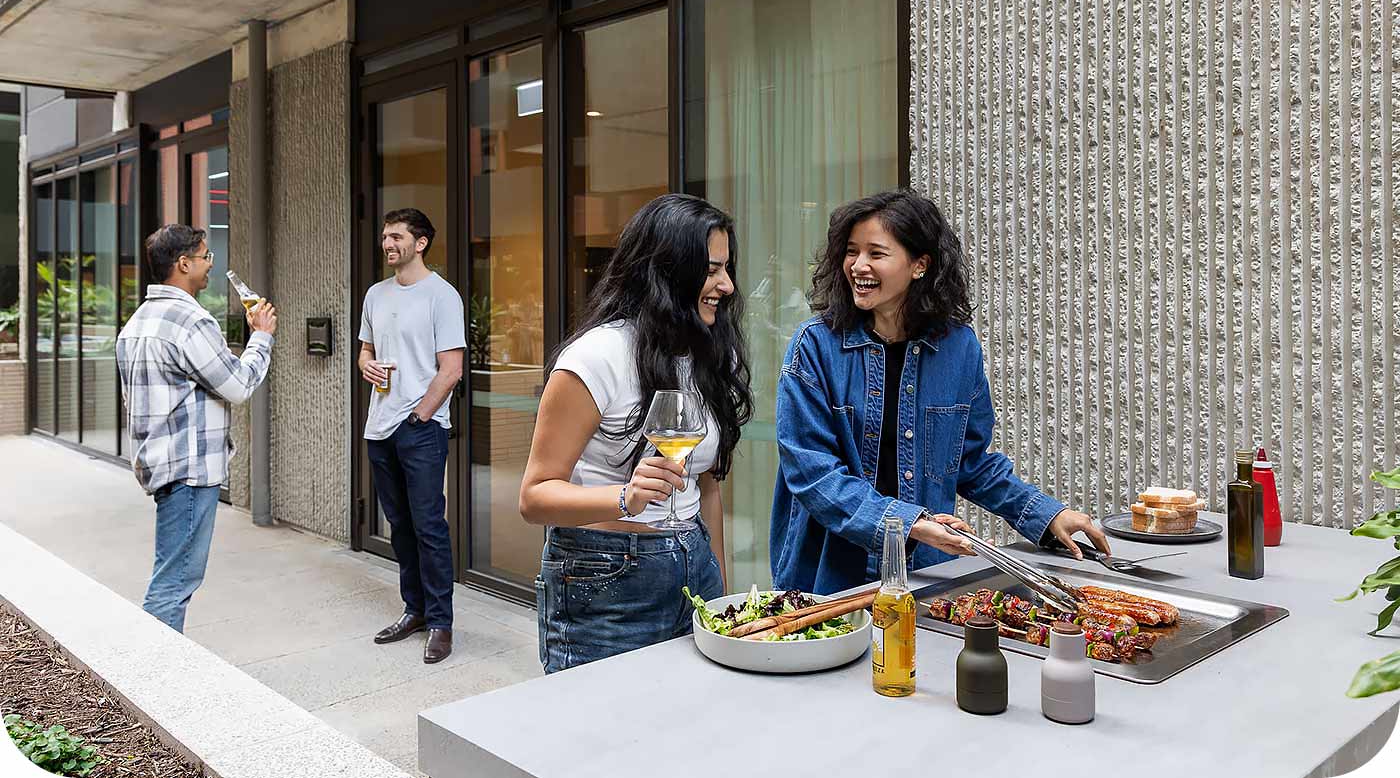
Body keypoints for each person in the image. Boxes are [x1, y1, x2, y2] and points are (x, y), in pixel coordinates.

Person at [771, 190, 1111, 594]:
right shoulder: (814, 346)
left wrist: (1045, 514)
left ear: (919, 265)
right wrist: (909, 522)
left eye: (876, 253)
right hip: (828, 577)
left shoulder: (959, 347)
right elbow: (813, 475)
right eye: (851, 251)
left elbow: (970, 462)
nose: (858, 265)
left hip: (924, 574)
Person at [519, 194, 753, 673]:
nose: (726, 285)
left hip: (694, 565)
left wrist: (721, 599)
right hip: (605, 575)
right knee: (603, 734)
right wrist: (625, 497)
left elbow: (709, 488)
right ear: (666, 271)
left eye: (727, 269)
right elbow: (535, 496)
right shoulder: (596, 357)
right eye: (711, 270)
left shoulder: (711, 355)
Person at [117, 224, 277, 632]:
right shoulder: (191, 323)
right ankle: (153, 682)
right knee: (174, 583)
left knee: (172, 573)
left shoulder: (136, 324)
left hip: (159, 463)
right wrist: (261, 337)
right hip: (189, 469)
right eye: (206, 257)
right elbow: (239, 385)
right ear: (183, 264)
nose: (210, 265)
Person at [358, 208, 465, 664]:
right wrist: (365, 365)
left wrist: (419, 417)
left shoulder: (442, 296)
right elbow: (366, 352)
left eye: (396, 237)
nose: (388, 244)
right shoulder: (376, 295)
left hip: (420, 430)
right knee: (400, 527)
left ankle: (441, 622)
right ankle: (415, 610)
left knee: (429, 528)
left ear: (421, 243)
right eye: (385, 237)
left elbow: (452, 369)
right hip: (379, 428)